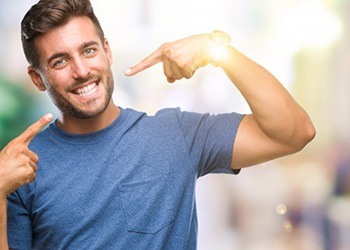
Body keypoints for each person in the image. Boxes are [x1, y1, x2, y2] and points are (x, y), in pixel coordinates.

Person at [0, 0, 315, 249]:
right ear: (37, 79)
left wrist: (220, 53)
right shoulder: (23, 169)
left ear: (107, 52)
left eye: (89, 50)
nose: (82, 70)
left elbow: (293, 132)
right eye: (60, 61)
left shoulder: (175, 136)